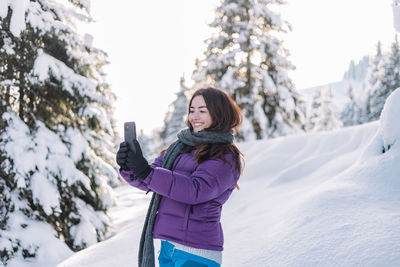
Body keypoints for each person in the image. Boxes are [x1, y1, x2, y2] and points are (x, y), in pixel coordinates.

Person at [116, 87, 244, 267]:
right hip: (168, 247)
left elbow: (195, 190)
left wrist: (146, 171)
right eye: (192, 110)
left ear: (219, 113)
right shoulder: (180, 147)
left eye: (202, 111)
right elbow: (150, 180)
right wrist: (129, 165)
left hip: (197, 253)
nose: (194, 116)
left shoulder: (225, 155)